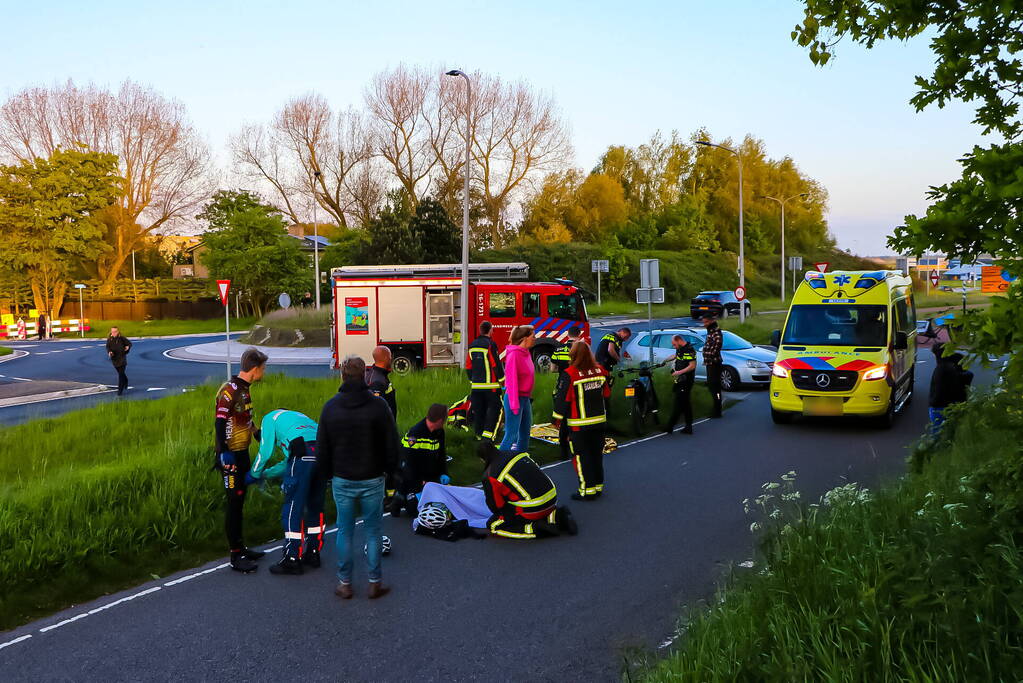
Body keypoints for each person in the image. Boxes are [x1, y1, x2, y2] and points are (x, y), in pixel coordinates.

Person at [317, 354, 399, 600]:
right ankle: (374, 582)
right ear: (365, 374)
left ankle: (345, 583)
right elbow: (391, 442)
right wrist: (391, 470)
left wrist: (325, 475)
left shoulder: (331, 407)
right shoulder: (378, 405)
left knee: (345, 531)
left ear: (342, 375)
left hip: (342, 478)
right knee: (373, 531)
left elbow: (322, 446)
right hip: (373, 477)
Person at [248, 409, 325, 576]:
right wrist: (266, 474)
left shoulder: (269, 418)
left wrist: (253, 474)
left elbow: (265, 451)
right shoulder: (296, 418)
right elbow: (287, 464)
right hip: (322, 455)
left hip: (302, 454)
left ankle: (292, 559)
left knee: (293, 508)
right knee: (315, 506)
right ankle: (313, 552)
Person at [214, 348, 269, 573]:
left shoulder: (245, 389)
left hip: (243, 451)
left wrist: (256, 433)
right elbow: (219, 423)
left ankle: (241, 546)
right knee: (234, 504)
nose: (264, 372)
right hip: (231, 455)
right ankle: (235, 556)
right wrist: (223, 453)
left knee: (241, 500)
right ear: (255, 369)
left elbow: (245, 418)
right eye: (263, 369)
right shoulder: (231, 389)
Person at [478, 442, 577, 539]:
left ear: (483, 459)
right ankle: (559, 516)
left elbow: (496, 506)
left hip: (533, 509)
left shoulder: (490, 475)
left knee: (493, 525)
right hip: (552, 498)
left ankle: (536, 529)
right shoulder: (518, 454)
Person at [559, 341, 610, 500]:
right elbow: (607, 395)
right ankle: (598, 486)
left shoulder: (570, 373)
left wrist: (557, 421)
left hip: (579, 426)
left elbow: (562, 401)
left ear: (573, 355)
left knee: (582, 458)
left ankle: (586, 491)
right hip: (599, 422)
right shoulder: (600, 370)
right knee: (596, 455)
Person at [391, 403, 450, 517]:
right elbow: (409, 463)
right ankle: (400, 498)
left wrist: (443, 473)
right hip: (411, 476)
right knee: (415, 512)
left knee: (441, 504)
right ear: (439, 420)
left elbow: (441, 454)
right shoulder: (415, 434)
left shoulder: (439, 432)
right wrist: (419, 482)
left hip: (429, 474)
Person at [466, 320, 505, 441]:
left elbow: (468, 366)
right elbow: (496, 364)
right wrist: (502, 380)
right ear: (490, 330)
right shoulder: (490, 344)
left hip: (476, 388)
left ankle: (478, 437)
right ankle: (488, 439)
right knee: (495, 411)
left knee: (479, 413)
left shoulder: (472, 345)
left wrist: (472, 381)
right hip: (491, 387)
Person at [499, 325, 536, 454]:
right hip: (515, 399)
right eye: (533, 336)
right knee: (512, 434)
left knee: (525, 433)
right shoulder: (514, 355)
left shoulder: (526, 353)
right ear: (525, 338)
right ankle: (499, 464)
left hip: (525, 398)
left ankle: (520, 459)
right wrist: (514, 404)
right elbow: (511, 381)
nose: (535, 338)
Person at [551, 325, 583, 460]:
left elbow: (553, 369)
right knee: (577, 418)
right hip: (577, 387)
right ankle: (577, 449)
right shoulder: (582, 349)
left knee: (563, 421)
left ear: (568, 334)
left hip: (562, 386)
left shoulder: (558, 349)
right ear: (579, 335)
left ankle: (563, 452)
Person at [928, 342, 974, 432]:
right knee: (954, 431)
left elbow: (938, 390)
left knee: (938, 433)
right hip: (957, 404)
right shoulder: (956, 362)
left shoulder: (941, 369)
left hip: (939, 406)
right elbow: (968, 375)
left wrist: (933, 402)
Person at [665, 334, 698, 435]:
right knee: (685, 404)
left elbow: (692, 366)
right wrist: (664, 361)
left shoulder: (689, 350)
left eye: (674, 344)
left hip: (686, 380)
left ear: (679, 340)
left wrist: (679, 372)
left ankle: (669, 426)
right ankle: (688, 427)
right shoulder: (680, 348)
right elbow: (675, 356)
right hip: (680, 380)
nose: (674, 346)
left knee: (679, 403)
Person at [365, 346, 397, 418]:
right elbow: (375, 411)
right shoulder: (377, 382)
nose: (391, 359)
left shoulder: (378, 375)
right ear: (386, 358)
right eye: (390, 356)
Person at [702, 315, 723, 418]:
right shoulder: (710, 332)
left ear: (710, 322)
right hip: (710, 363)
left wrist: (709, 356)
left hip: (714, 364)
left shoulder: (716, 332)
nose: (704, 324)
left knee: (715, 388)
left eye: (706, 322)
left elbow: (717, 346)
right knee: (712, 387)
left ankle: (717, 410)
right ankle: (716, 409)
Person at [106, 327, 132, 396]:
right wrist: (109, 352)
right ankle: (126, 380)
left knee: (120, 375)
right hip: (114, 359)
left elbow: (129, 343)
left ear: (118, 332)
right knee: (121, 373)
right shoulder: (109, 339)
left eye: (115, 331)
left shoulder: (122, 338)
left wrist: (127, 347)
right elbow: (107, 347)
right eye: (113, 332)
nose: (114, 333)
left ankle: (120, 391)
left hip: (122, 358)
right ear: (111, 332)